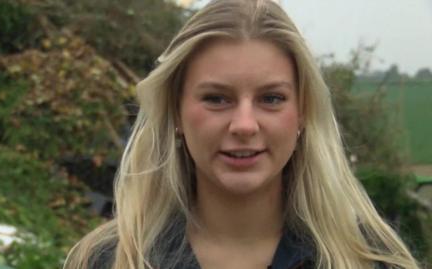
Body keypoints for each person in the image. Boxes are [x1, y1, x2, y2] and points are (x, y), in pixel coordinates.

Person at [64, 0, 421, 268]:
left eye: (271, 98)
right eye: (217, 98)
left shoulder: (369, 260)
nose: (245, 125)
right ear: (175, 111)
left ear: (302, 113)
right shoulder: (109, 260)